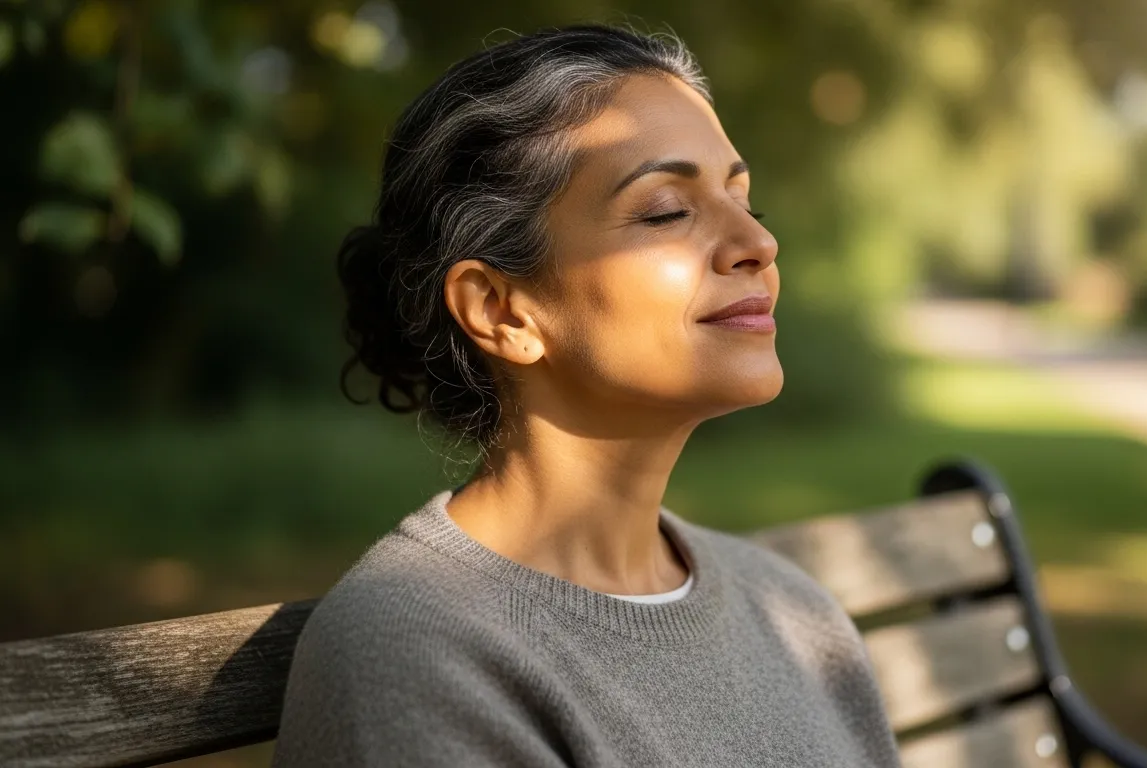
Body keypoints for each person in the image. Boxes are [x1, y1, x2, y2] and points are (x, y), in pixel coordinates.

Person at [272, 24, 902, 768]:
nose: (758, 245)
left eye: (744, 201)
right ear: (502, 311)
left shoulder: (796, 614)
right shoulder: (418, 649)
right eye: (667, 209)